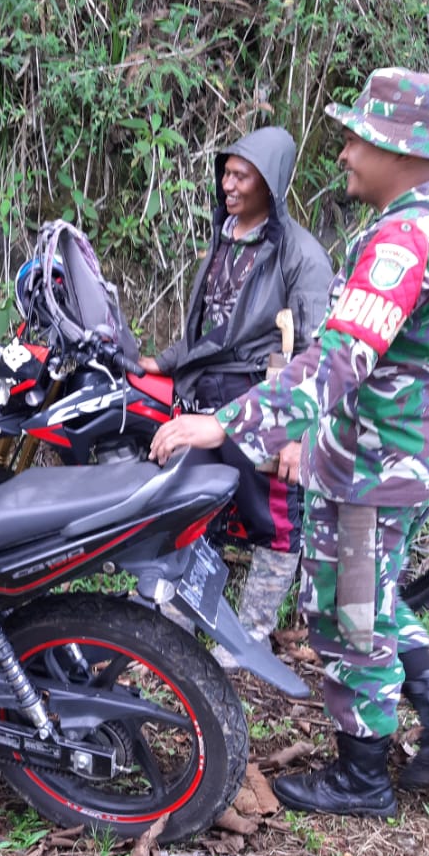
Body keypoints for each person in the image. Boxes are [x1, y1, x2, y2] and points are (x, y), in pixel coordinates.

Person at [147, 67, 429, 816]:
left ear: (397, 149)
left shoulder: (403, 239)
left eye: (355, 138)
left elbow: (340, 355)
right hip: (417, 448)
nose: (343, 152)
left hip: (373, 462)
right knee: (378, 591)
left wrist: (228, 424)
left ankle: (362, 775)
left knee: (348, 614)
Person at [140, 126, 333, 662]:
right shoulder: (226, 233)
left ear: (270, 183)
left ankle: (249, 633)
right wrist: (169, 360)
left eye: (241, 175)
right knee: (195, 500)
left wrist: (296, 436)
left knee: (272, 515)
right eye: (226, 172)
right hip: (206, 390)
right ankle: (185, 612)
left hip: (260, 399)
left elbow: (317, 351)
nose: (229, 184)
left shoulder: (302, 256)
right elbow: (210, 321)